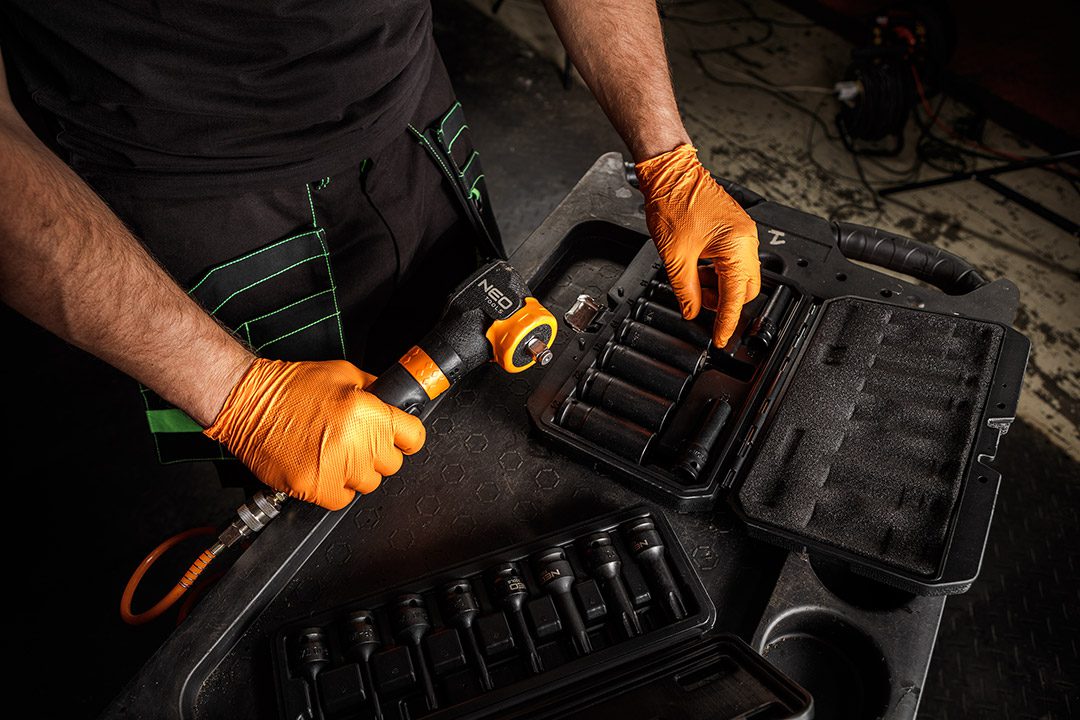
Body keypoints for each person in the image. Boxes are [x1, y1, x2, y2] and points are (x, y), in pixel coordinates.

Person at [0, 1, 761, 512]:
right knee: (307, 474)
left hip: (409, 116)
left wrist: (669, 159)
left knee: (467, 420)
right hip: (195, 197)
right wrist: (235, 394)